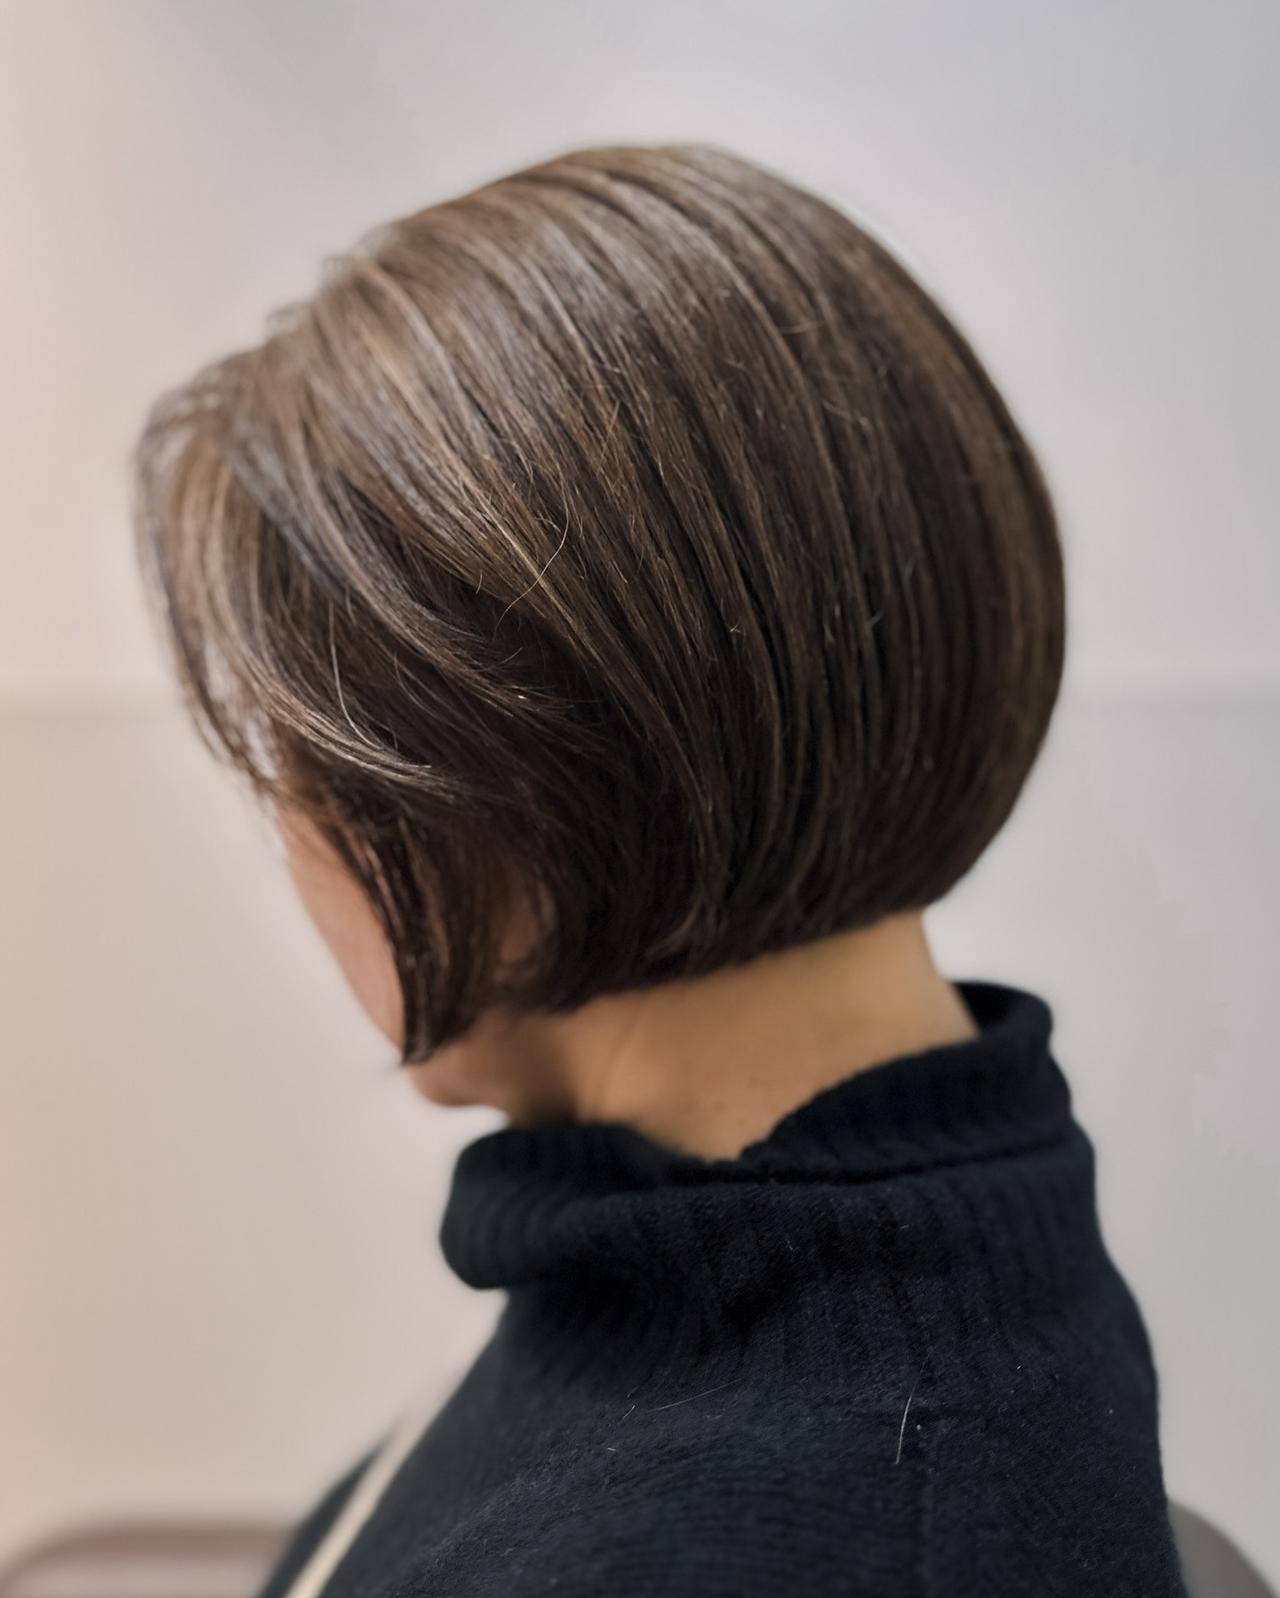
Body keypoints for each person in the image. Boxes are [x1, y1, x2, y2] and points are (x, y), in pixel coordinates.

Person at [131, 143, 1188, 1596]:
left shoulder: (800, 1529)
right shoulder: (741, 1241)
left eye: (295, 766)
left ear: (489, 793)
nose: (291, 842)